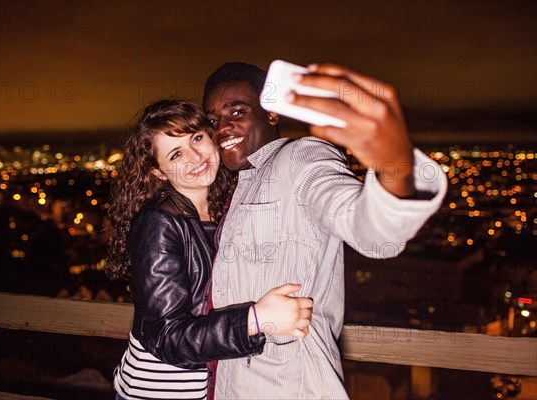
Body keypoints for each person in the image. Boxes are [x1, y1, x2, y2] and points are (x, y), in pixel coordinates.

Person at [202, 62, 448, 399]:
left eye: (237, 111)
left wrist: (394, 166)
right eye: (213, 120)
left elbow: (371, 232)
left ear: (271, 113)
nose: (222, 128)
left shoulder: (300, 159)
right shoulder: (237, 186)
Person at [105, 99, 313, 400]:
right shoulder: (159, 223)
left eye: (197, 138)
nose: (195, 156)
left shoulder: (222, 209)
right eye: (176, 154)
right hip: (157, 392)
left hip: (204, 388)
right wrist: (256, 320)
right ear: (159, 172)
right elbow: (168, 337)